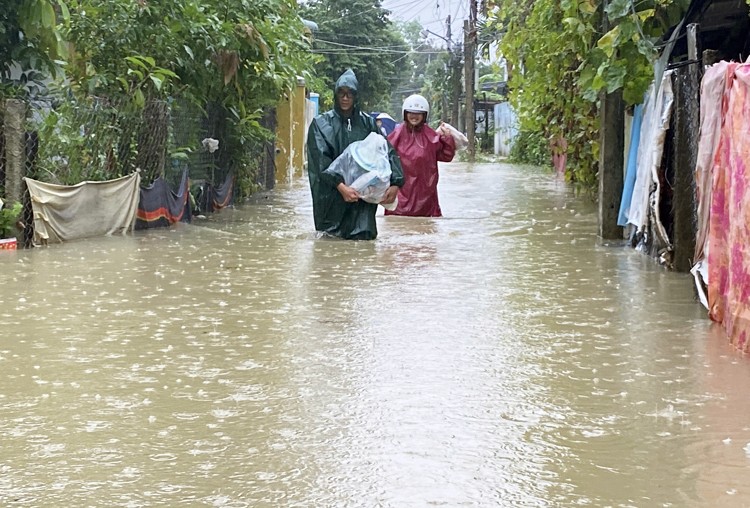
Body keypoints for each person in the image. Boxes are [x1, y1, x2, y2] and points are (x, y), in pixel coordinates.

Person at [307, 69, 403, 240]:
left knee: (363, 242)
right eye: (341, 93)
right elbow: (319, 161)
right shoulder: (321, 124)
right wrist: (341, 187)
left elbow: (387, 152)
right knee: (330, 243)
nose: (345, 98)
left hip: (362, 198)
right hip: (331, 197)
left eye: (350, 94)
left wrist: (395, 183)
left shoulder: (368, 123)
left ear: (356, 96)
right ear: (336, 95)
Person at [385, 94, 455, 217]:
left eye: (418, 113)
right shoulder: (396, 135)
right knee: (398, 227)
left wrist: (448, 138)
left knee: (427, 231)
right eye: (411, 112)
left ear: (424, 115)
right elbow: (383, 157)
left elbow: (447, 156)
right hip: (401, 195)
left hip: (425, 195)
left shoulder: (431, 136)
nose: (414, 116)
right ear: (405, 113)